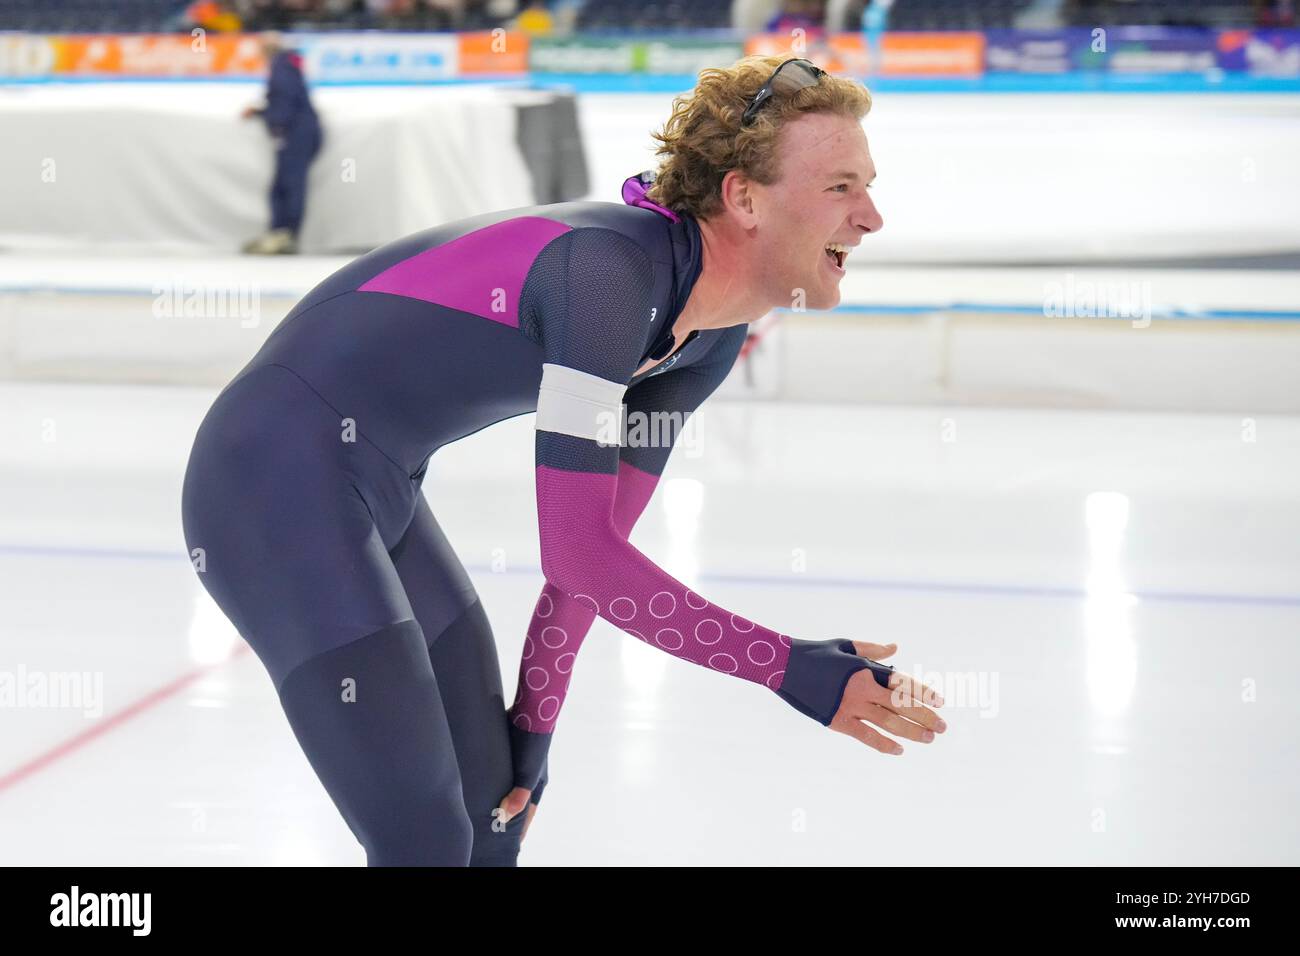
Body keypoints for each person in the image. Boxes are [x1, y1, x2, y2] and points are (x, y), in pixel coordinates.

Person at [181, 54, 945, 867]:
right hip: (268, 483)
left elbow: (594, 556)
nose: (870, 217)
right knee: (427, 841)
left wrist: (532, 739)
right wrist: (786, 666)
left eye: (866, 185)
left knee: (491, 818)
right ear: (743, 197)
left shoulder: (709, 335)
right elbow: (577, 552)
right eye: (839, 187)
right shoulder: (606, 279)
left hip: (379, 489)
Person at [240, 31, 322, 255]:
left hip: (295, 133)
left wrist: (276, 124)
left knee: (289, 185)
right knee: (285, 185)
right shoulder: (288, 64)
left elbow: (284, 102)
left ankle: (285, 234)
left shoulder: (281, 67)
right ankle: (281, 232)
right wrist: (261, 112)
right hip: (299, 131)